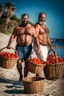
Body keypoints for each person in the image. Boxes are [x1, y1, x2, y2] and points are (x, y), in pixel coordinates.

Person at [7, 13, 40, 80]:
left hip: (28, 48)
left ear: (28, 19)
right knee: (18, 62)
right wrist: (9, 44)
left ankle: (25, 77)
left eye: (26, 18)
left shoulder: (31, 28)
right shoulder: (17, 27)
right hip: (19, 47)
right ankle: (21, 75)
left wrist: (38, 48)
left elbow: (36, 38)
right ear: (21, 18)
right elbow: (13, 36)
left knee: (27, 63)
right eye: (23, 18)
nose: (25, 19)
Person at [34, 12, 55, 77]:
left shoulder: (45, 27)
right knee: (41, 62)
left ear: (45, 18)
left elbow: (47, 37)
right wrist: (38, 48)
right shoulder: (37, 26)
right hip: (39, 45)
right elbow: (36, 37)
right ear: (38, 17)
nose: (42, 19)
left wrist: (51, 46)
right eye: (41, 17)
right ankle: (38, 77)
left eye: (44, 17)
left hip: (45, 47)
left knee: (44, 61)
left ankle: (38, 77)